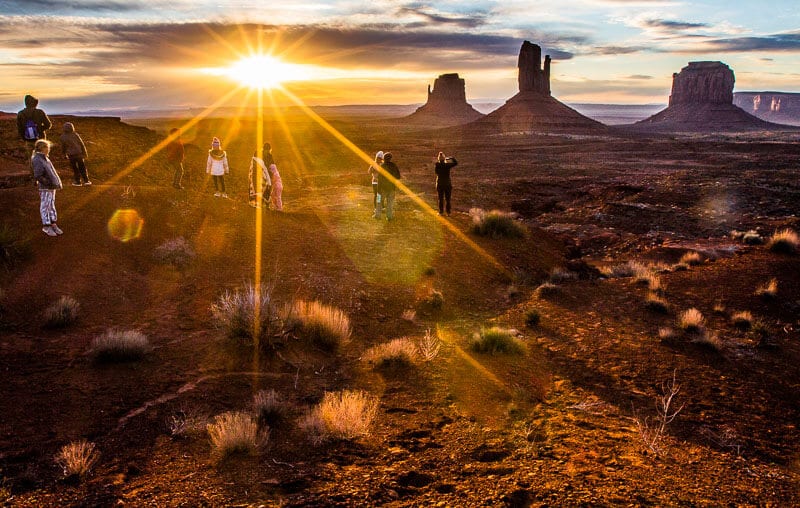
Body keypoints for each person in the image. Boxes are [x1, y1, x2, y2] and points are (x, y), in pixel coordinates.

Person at [31, 140, 63, 236]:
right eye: (47, 147)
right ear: (42, 148)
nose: (48, 149)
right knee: (45, 206)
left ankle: (53, 223)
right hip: (46, 187)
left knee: (51, 205)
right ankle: (46, 226)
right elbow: (38, 175)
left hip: (51, 186)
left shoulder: (44, 158)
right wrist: (48, 183)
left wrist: (55, 183)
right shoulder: (37, 159)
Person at [60, 122, 91, 186]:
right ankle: (86, 181)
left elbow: (63, 147)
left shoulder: (62, 137)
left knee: (75, 169)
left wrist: (64, 154)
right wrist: (85, 153)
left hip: (71, 155)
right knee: (82, 167)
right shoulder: (75, 135)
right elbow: (82, 144)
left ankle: (78, 181)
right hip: (79, 154)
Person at [377, 152, 401, 221]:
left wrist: (378, 189)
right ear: (390, 158)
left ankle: (377, 215)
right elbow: (398, 176)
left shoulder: (381, 166)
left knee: (379, 202)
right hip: (391, 187)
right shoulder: (394, 166)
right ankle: (389, 216)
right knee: (390, 203)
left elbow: (379, 178)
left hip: (382, 188)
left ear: (384, 159)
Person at [248, 143, 272, 208]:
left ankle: (266, 204)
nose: (266, 152)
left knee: (267, 187)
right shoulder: (257, 153)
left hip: (266, 172)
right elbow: (254, 163)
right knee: (254, 185)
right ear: (263, 149)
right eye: (265, 150)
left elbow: (271, 165)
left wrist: (269, 175)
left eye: (268, 150)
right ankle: (254, 202)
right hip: (256, 173)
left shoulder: (270, 156)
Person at [434, 151, 458, 216]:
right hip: (447, 184)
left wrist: (442, 160)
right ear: (444, 158)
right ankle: (448, 212)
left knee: (440, 199)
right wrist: (449, 158)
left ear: (438, 158)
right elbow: (455, 162)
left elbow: (436, 172)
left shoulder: (437, 165)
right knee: (448, 199)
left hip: (440, 184)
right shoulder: (447, 165)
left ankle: (441, 212)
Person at [263, 143, 283, 211]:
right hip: (268, 174)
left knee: (273, 194)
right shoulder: (265, 155)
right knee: (272, 194)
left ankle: (272, 206)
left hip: (269, 174)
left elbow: (272, 167)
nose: (268, 151)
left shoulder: (268, 156)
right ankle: (271, 206)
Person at [368, 151, 384, 218]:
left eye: (380, 158)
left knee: (380, 195)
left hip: (381, 182)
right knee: (377, 195)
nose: (378, 160)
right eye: (378, 158)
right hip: (375, 182)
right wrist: (372, 168)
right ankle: (376, 208)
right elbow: (369, 172)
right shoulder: (373, 164)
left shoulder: (383, 164)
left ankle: (380, 207)